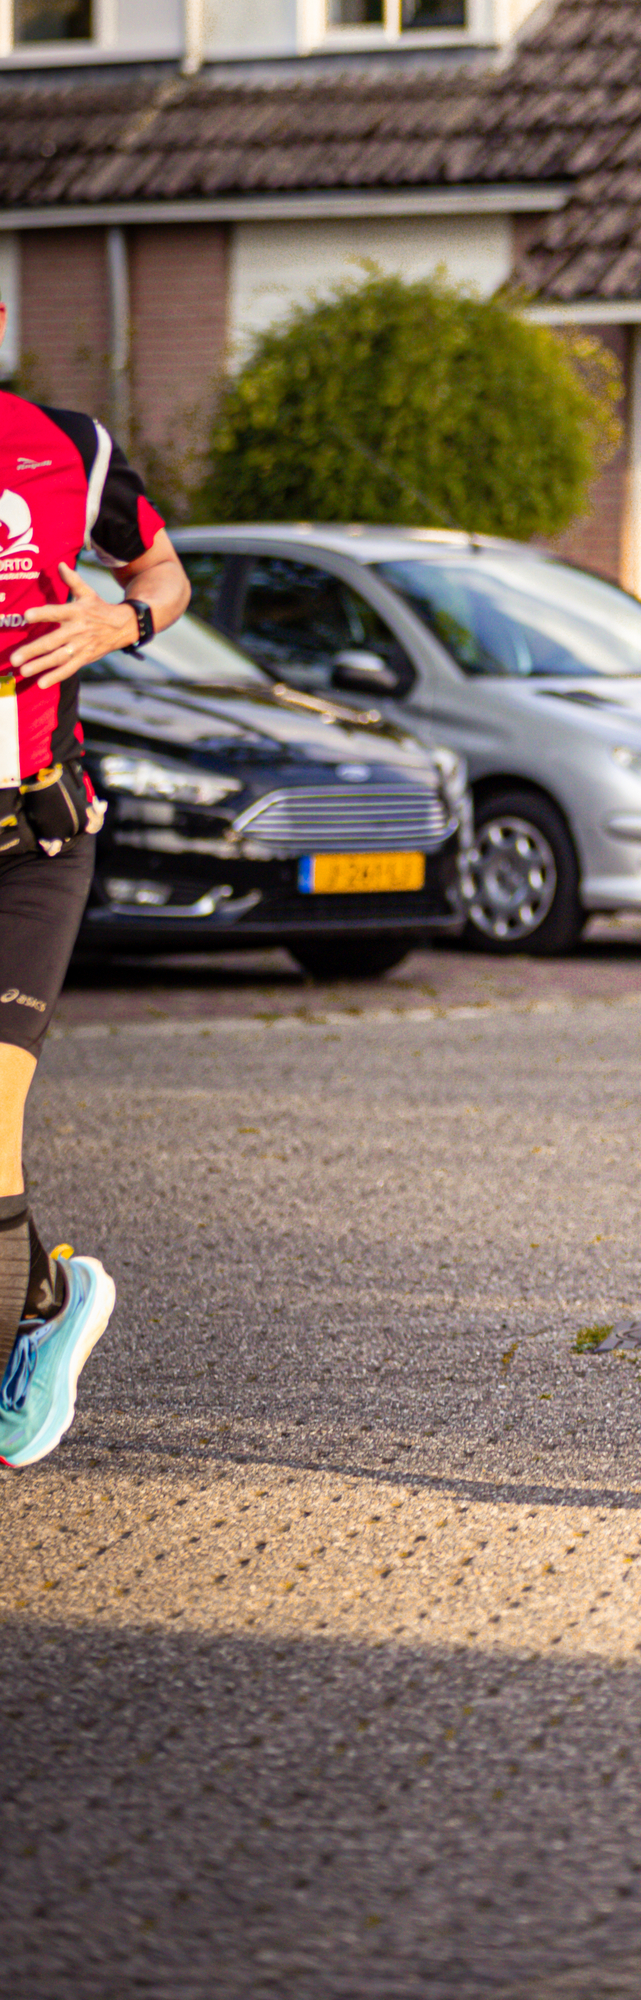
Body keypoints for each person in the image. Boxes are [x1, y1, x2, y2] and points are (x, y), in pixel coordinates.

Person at [0, 336, 190, 1470]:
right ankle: (54, 1301)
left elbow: (163, 573)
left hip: (31, 844)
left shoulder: (68, 447)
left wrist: (123, 621)